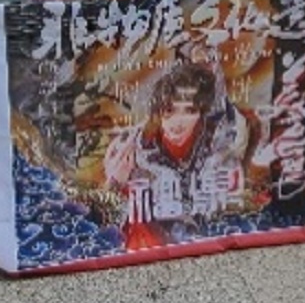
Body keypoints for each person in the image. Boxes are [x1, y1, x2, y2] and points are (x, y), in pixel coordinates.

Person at [103, 61, 252, 249]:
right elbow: (108, 217)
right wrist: (116, 182)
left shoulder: (217, 143)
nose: (178, 122)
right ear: (159, 112)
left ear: (201, 113)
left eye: (189, 111)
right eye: (169, 110)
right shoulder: (134, 149)